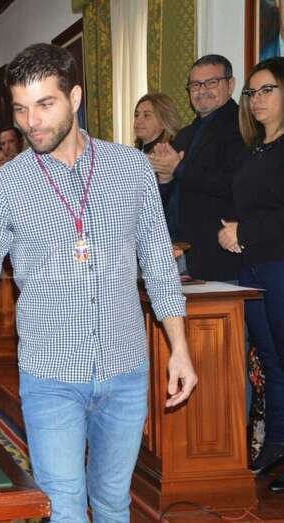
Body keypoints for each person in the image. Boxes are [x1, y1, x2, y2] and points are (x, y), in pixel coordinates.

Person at [0, 43, 197, 522]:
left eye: (45, 104)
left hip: (126, 370)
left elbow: (161, 269)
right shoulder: (5, 186)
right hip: (51, 377)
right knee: (63, 508)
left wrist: (180, 350)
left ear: (75, 97)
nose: (32, 122)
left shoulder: (131, 170)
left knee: (111, 504)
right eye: (22, 109)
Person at [218, 57, 284, 487]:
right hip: (253, 266)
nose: (256, 99)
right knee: (273, 363)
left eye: (267, 90)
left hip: (279, 263)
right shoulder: (257, 148)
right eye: (252, 92)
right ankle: (277, 444)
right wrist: (233, 233)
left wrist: (245, 231)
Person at [149, 55, 248, 282]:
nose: (202, 90)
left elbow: (234, 185)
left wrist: (179, 167)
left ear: (230, 85)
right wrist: (164, 178)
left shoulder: (243, 127)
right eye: (195, 85)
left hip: (221, 255)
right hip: (179, 253)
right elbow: (168, 194)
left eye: (211, 82)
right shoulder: (184, 135)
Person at [133, 93, 182, 239]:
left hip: (165, 236)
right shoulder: (137, 153)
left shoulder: (169, 154)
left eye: (147, 115)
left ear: (163, 121)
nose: (138, 120)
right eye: (137, 115)